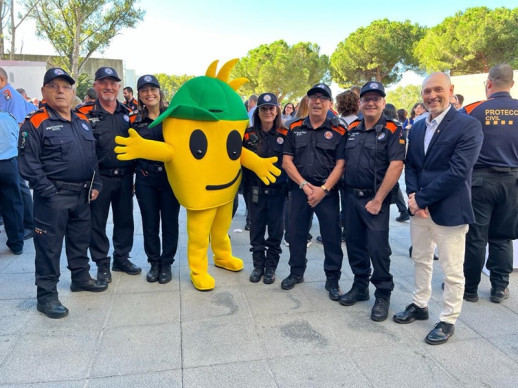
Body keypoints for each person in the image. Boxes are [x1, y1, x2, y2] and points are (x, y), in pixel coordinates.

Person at [393, 72, 483, 345]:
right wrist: (412, 196)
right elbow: (412, 165)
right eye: (427, 91)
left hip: (449, 210)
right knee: (420, 259)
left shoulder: (468, 126)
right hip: (420, 210)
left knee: (452, 269)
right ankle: (420, 304)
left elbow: (458, 172)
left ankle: (448, 319)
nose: (432, 96)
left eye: (437, 90)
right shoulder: (418, 126)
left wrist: (422, 199)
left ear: (450, 91)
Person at [18, 68, 107, 319]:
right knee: (49, 247)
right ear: (44, 91)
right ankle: (46, 296)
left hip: (83, 196)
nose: (60, 91)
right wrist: (48, 192)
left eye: (65, 87)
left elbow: (92, 158)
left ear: (72, 92)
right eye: (54, 86)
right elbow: (28, 163)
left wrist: (96, 183)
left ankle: (80, 278)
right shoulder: (35, 122)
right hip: (52, 198)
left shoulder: (82, 121)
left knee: (80, 241)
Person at [338, 81, 405, 322]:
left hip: (375, 200)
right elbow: (343, 161)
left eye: (376, 98)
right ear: (359, 103)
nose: (371, 102)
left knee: (378, 249)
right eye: (366, 99)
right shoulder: (353, 128)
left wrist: (378, 199)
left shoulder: (391, 129)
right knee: (355, 244)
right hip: (351, 198)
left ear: (383, 103)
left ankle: (383, 293)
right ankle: (360, 286)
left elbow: (396, 165)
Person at [281, 83, 346, 301]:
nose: (317, 101)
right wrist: (303, 185)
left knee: (331, 236)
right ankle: (296, 272)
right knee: (296, 233)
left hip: (326, 192)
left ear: (330, 103)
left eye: (323, 98)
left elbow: (341, 164)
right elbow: (287, 161)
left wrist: (324, 189)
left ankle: (332, 278)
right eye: (313, 97)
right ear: (307, 102)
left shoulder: (339, 130)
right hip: (300, 190)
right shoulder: (294, 127)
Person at [76, 67, 141, 283]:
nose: (108, 87)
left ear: (119, 87)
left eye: (113, 83)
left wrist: (133, 177)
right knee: (97, 223)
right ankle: (102, 263)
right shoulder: (83, 113)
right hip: (98, 180)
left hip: (124, 177)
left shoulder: (128, 113)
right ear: (95, 86)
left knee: (125, 221)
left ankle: (121, 258)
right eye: (103, 82)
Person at [462, 64, 518, 304]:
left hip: (479, 181)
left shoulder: (473, 110)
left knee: (475, 237)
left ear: (488, 83)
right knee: (502, 237)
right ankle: (499, 287)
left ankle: (470, 289)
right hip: (513, 182)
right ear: (512, 85)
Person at [133, 75, 180, 284]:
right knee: (149, 223)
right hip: (146, 179)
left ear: (160, 92)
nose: (149, 94)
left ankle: (167, 263)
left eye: (153, 89)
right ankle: (154, 262)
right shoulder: (135, 121)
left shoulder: (173, 118)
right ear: (139, 95)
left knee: (170, 223)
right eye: (144, 90)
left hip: (171, 179)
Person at [242, 93, 287, 284]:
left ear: (277, 110)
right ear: (257, 112)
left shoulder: (286, 134)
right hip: (255, 191)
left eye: (271, 108)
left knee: (276, 232)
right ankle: (258, 266)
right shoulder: (247, 134)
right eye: (264, 109)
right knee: (256, 229)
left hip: (278, 192)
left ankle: (271, 267)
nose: (268, 112)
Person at [0, 67, 37, 240]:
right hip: (10, 150)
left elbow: (16, 125)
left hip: (15, 149)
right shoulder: (4, 95)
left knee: (20, 186)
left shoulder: (9, 96)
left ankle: (29, 224)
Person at [0, 112, 24, 255]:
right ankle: (17, 244)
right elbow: (18, 137)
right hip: (8, 164)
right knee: (13, 204)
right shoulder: (9, 118)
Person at [383, 103, 409, 223]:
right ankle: (403, 210)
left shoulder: (392, 125)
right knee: (394, 185)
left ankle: (403, 210)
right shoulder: (396, 123)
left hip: (389, 161)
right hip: (393, 159)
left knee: (393, 185)